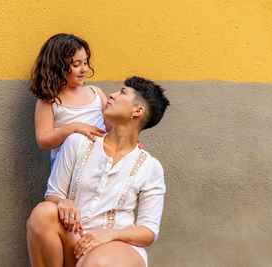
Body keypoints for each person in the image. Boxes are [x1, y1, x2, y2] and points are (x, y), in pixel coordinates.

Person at [27, 76, 170, 267]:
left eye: (122, 92)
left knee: (99, 264)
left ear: (137, 111)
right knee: (42, 214)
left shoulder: (150, 167)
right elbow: (53, 196)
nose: (111, 95)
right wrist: (64, 202)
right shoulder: (77, 142)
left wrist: (109, 235)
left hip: (116, 247)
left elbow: (148, 231)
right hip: (74, 239)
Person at [30, 33, 111, 168]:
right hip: (67, 168)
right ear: (57, 67)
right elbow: (43, 141)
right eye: (76, 64)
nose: (84, 69)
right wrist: (73, 128)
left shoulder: (96, 93)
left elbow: (112, 127)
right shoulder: (49, 101)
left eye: (85, 62)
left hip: (99, 164)